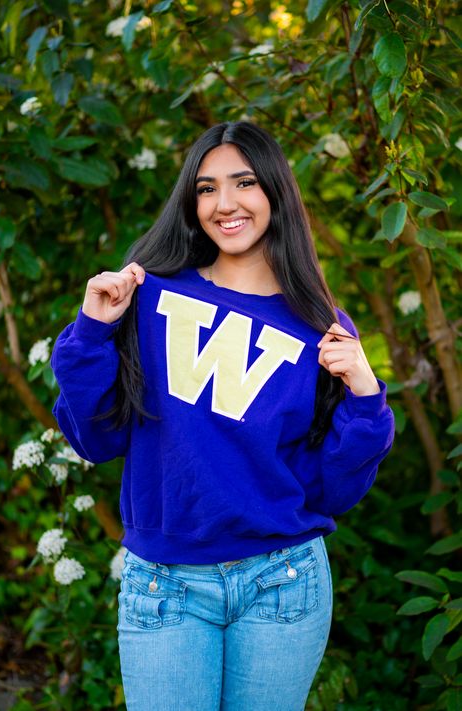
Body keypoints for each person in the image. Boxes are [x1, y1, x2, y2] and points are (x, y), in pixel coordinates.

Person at [50, 121, 395, 711]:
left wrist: (366, 398)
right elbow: (95, 440)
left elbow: (334, 491)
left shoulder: (319, 327)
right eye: (207, 188)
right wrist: (92, 331)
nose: (225, 203)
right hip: (166, 585)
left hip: (282, 583)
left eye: (244, 182)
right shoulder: (150, 297)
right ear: (191, 201)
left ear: (276, 194)